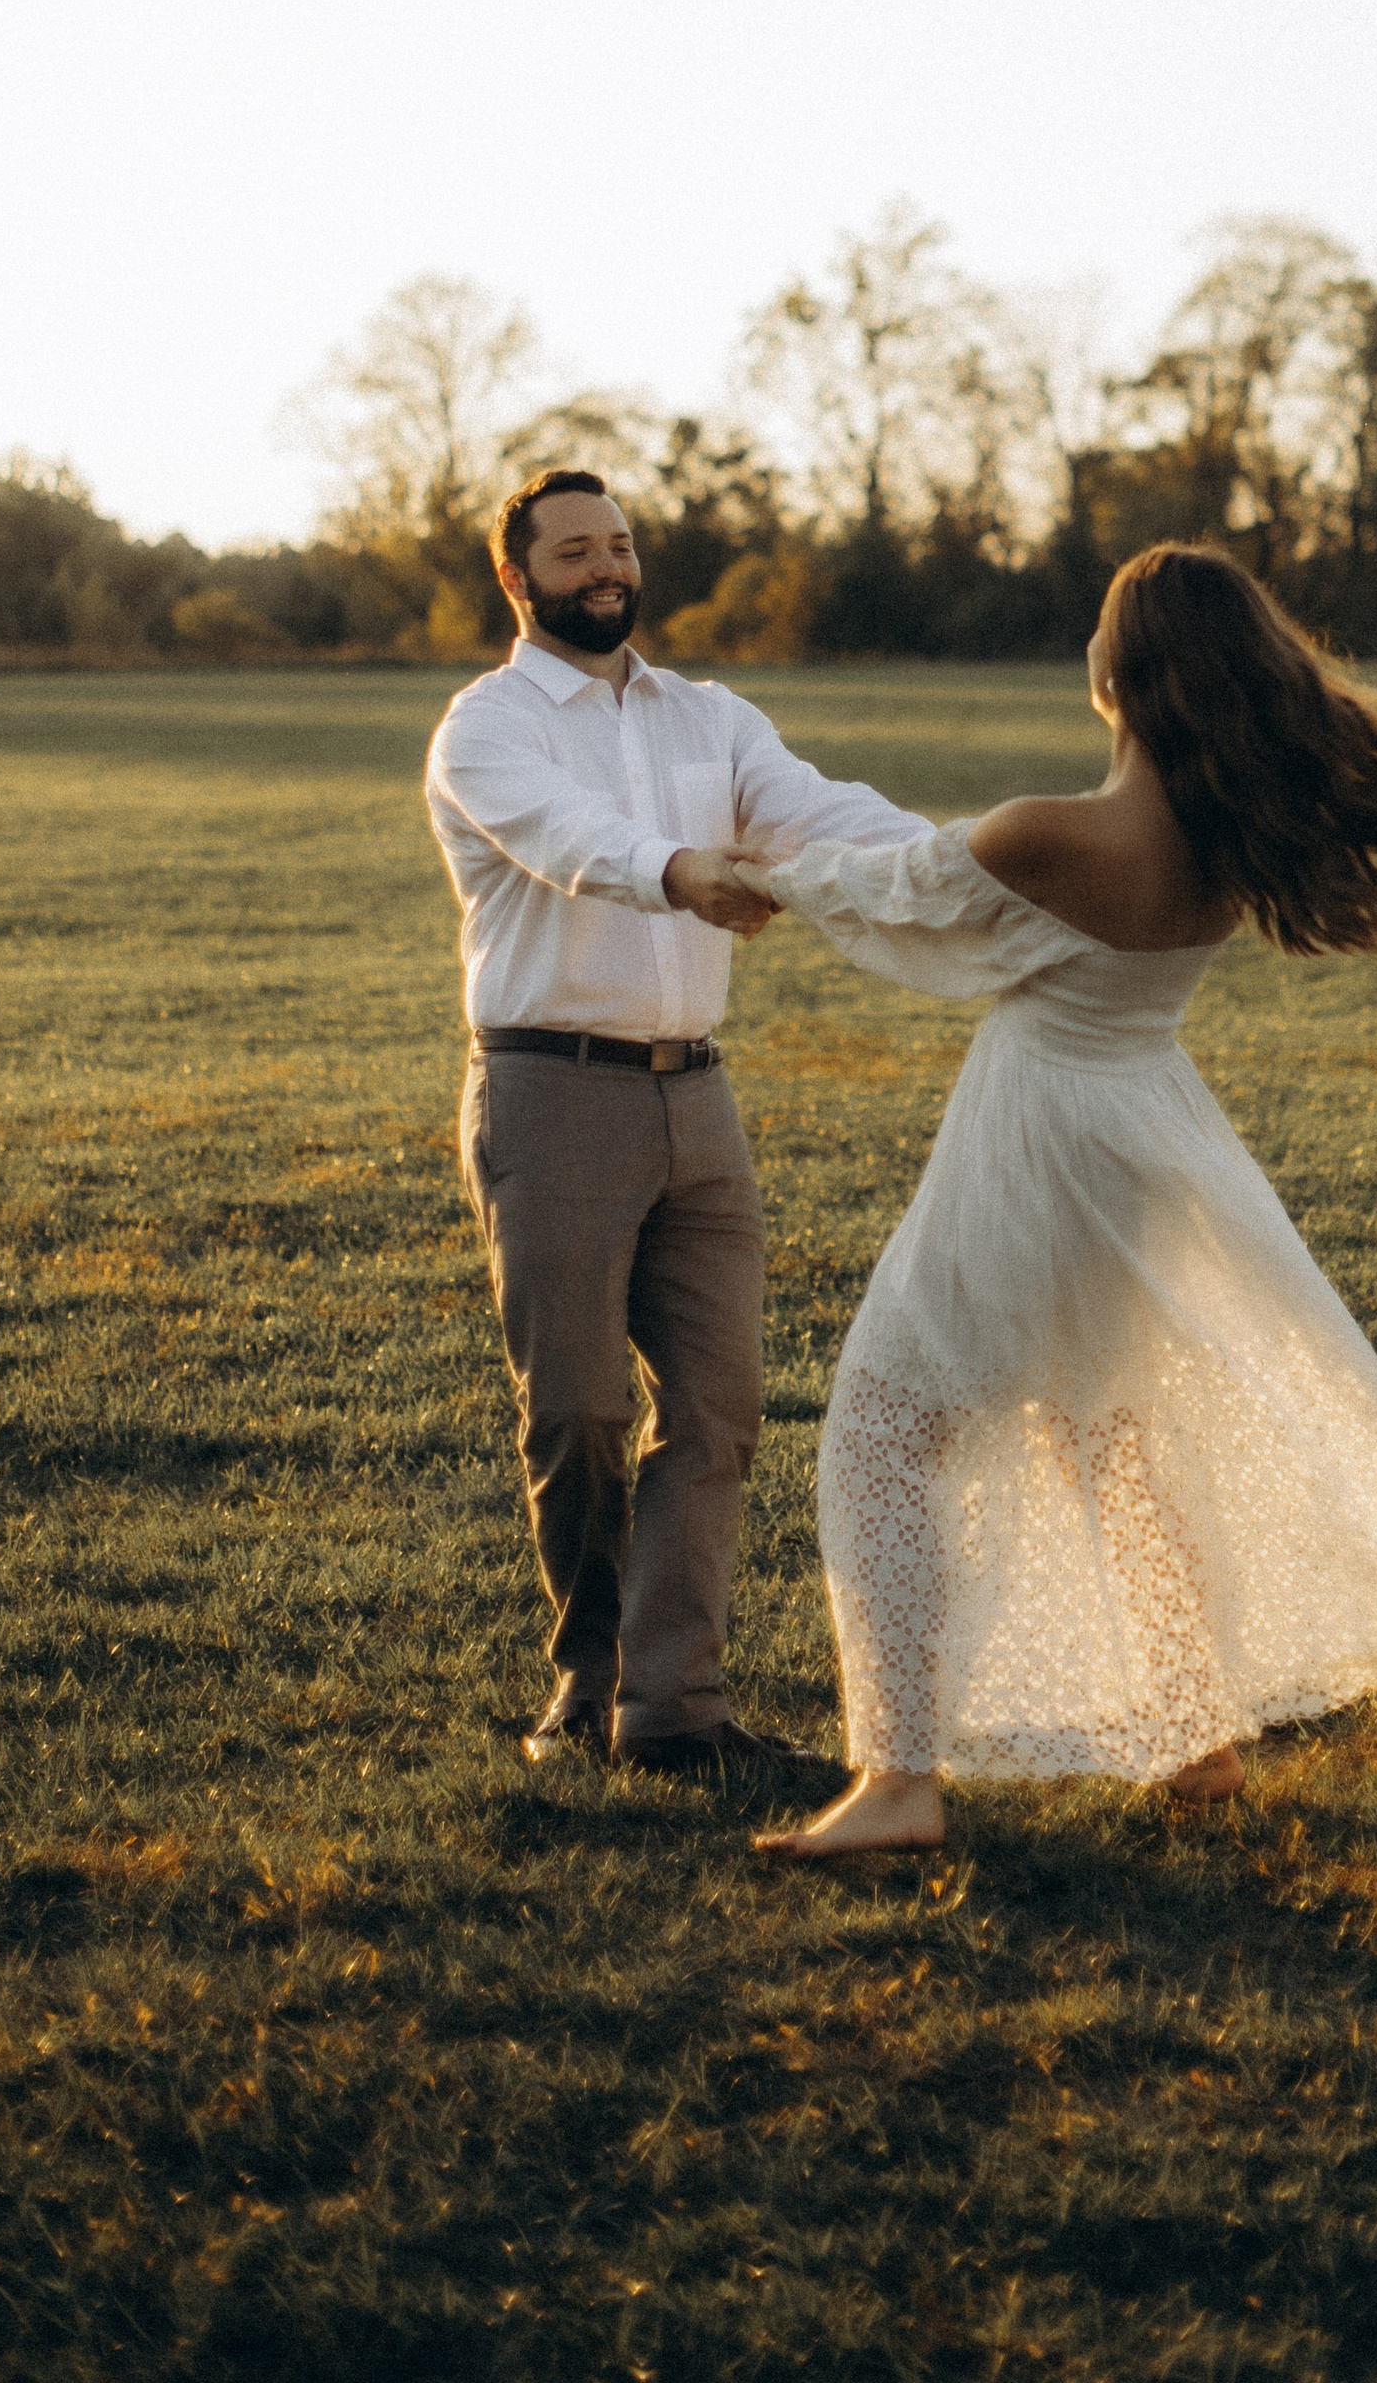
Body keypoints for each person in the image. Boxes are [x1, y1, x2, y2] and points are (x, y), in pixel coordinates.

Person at [735, 542, 1377, 1860]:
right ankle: (1196, 1741)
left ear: (1119, 673)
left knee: (883, 1427)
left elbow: (899, 899)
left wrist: (749, 871)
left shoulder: (1054, 832)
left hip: (1038, 1141)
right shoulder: (1220, 835)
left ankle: (899, 1784)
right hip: (1147, 1131)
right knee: (1110, 1437)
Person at [425, 467, 927, 1778]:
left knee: (717, 1410)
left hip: (696, 1098)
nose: (607, 568)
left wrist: (967, 860)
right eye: (577, 550)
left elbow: (821, 812)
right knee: (581, 1414)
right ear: (518, 577)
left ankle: (673, 1715)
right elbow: (568, 838)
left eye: (621, 545)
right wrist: (682, 871)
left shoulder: (710, 717)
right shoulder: (488, 729)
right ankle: (585, 1685)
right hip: (552, 1089)